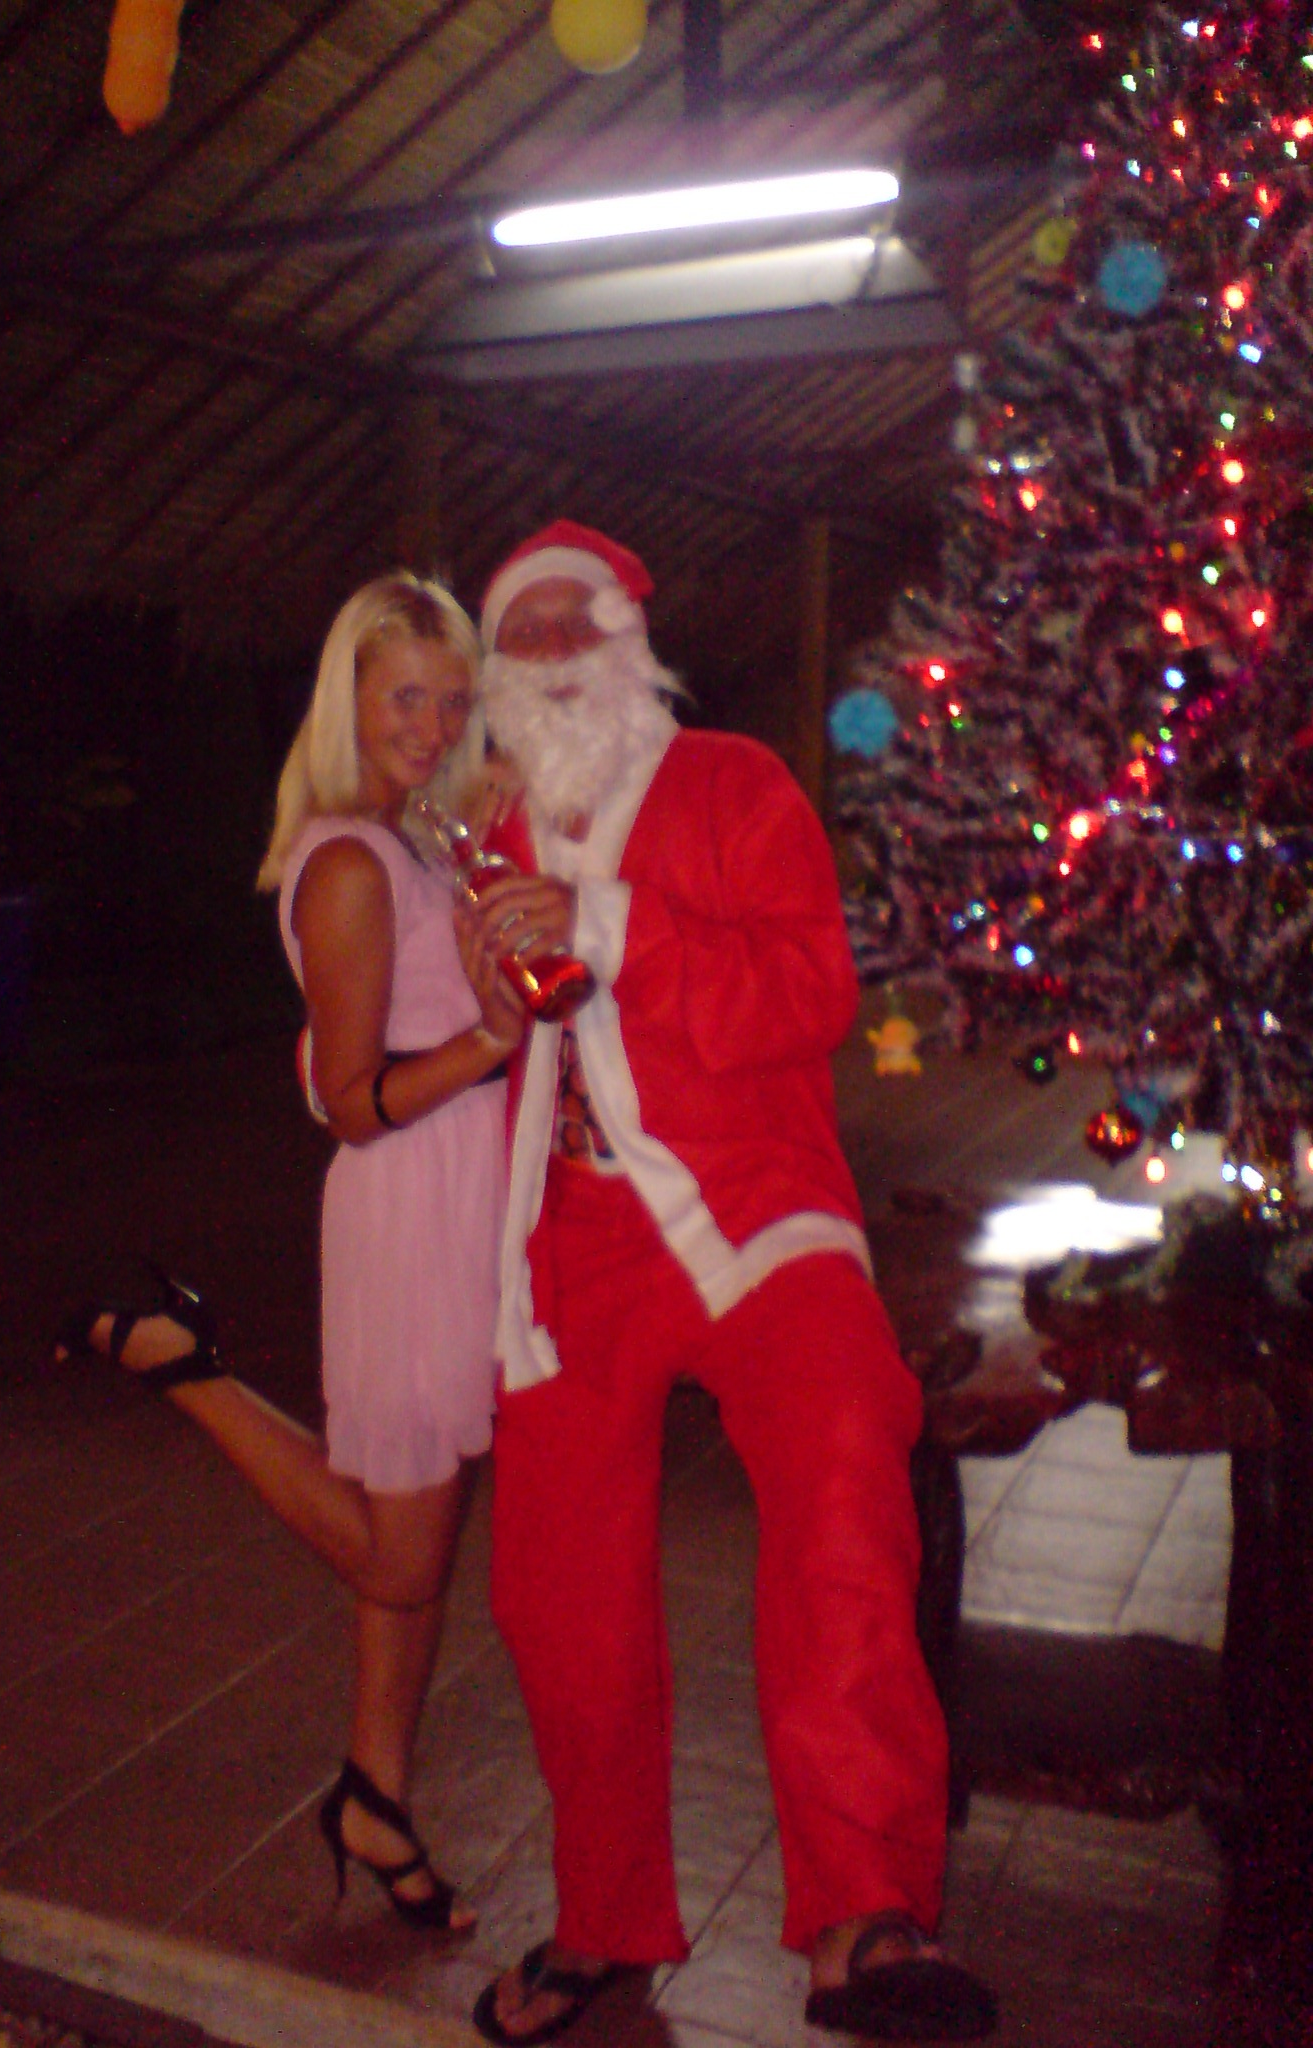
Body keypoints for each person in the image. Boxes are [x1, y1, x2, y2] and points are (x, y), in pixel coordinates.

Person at [462, 522, 998, 2043]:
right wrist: (489, 988)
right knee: (555, 1585)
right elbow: (487, 1041)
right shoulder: (488, 834)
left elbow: (812, 992)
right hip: (568, 1239)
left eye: (577, 622)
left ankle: (864, 1914)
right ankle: (603, 1922)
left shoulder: (735, 786)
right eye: (523, 632)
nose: (553, 651)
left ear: (633, 638)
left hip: (757, 1215)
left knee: (843, 1474)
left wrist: (611, 929)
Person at [59, 573, 524, 1935]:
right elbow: (352, 1100)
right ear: (347, 701)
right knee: (402, 1559)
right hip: (410, 1208)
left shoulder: (416, 841)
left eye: (452, 700)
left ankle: (376, 1797)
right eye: (405, 699)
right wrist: (491, 1042)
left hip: (459, 1199)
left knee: (420, 1521)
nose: (431, 726)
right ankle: (182, 1365)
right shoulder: (347, 865)